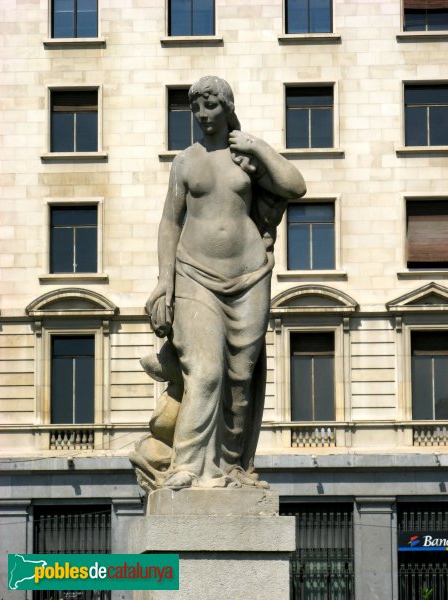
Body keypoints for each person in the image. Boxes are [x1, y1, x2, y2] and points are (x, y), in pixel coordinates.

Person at [142, 76, 306, 490]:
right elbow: (169, 222)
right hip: (194, 274)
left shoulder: (244, 157)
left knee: (240, 377)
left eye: (210, 106)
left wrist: (257, 148)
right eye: (196, 108)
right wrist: (165, 282)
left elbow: (295, 186)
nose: (201, 115)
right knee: (206, 371)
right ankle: (188, 465)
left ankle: (231, 468)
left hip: (249, 276)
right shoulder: (185, 162)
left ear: (227, 106)